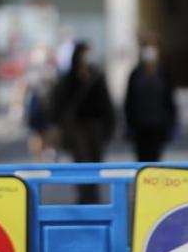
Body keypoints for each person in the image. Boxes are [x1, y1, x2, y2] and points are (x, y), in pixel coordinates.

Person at [52, 42, 115, 203]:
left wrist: (109, 125)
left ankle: (93, 193)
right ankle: (83, 194)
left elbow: (105, 102)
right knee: (81, 160)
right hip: (76, 127)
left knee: (95, 160)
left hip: (96, 125)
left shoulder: (97, 75)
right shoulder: (68, 78)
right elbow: (58, 102)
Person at [124, 37, 179, 163]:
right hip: (140, 126)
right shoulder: (136, 73)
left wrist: (172, 123)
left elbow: (170, 100)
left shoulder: (164, 73)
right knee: (141, 160)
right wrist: (129, 124)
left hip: (158, 125)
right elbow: (129, 101)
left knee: (155, 159)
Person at [14, 45, 59, 161]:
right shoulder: (32, 72)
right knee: (37, 133)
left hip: (50, 105)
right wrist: (18, 106)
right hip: (37, 105)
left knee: (50, 131)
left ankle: (48, 154)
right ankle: (39, 159)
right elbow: (23, 87)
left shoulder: (53, 71)